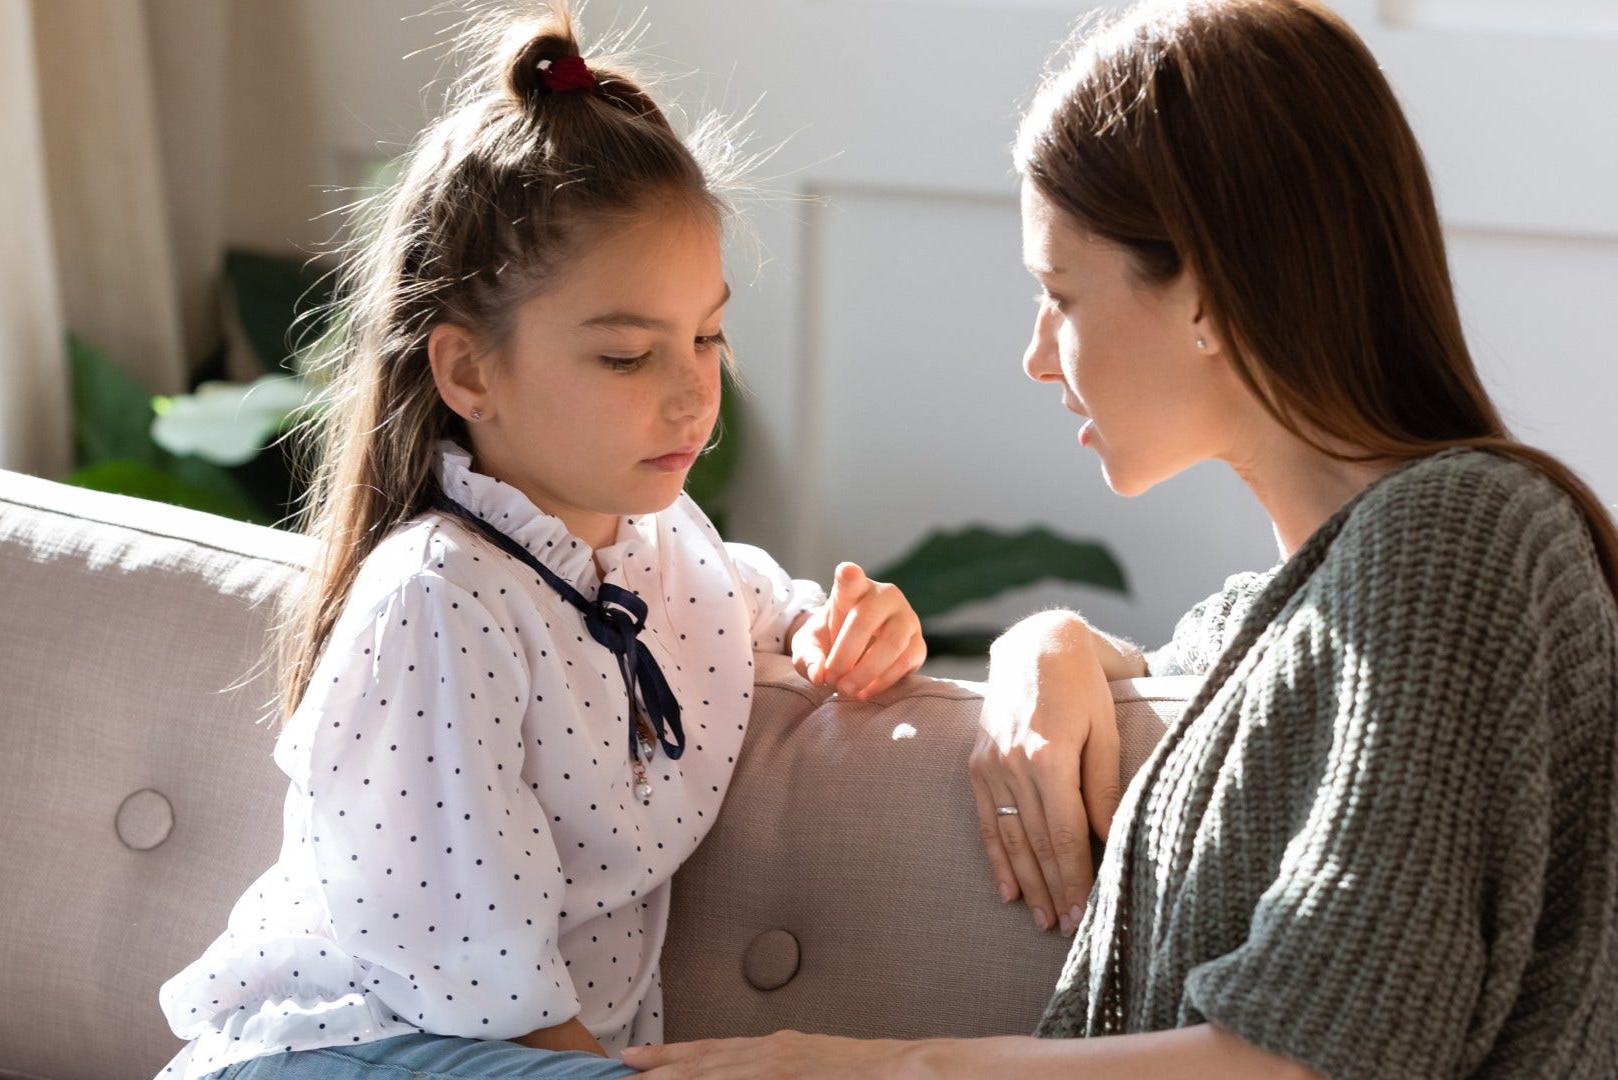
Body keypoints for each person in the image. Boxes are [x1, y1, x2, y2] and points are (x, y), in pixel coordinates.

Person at [620, 0, 1618, 1076]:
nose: (1038, 358)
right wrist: (1048, 640)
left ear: (1206, 291)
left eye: (1062, 295)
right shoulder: (1291, 608)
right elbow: (1199, 685)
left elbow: (1312, 1060)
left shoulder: (1463, 538)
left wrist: (859, 1067)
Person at [154, 5, 926, 1079]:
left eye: (706, 334)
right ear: (469, 373)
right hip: (349, 1051)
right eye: (625, 358)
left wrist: (851, 624)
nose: (691, 391)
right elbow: (476, 981)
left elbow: (759, 604)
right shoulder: (438, 600)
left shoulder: (664, 546)